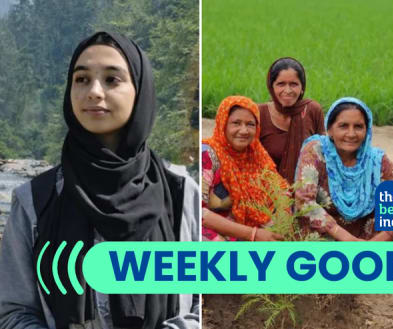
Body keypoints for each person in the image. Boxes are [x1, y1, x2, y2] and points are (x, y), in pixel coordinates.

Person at [0, 32, 199, 329]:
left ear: (140, 91)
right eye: (81, 79)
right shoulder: (34, 199)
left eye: (112, 79)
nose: (93, 91)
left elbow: (200, 304)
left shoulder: (181, 192)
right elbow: (13, 311)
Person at [294, 97, 393, 241]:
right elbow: (304, 201)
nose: (351, 134)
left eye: (358, 126)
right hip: (323, 240)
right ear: (329, 129)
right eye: (343, 126)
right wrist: (349, 240)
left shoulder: (377, 161)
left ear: (367, 130)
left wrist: (371, 246)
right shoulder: (315, 151)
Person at [201, 95, 288, 241]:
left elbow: (280, 189)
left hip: (255, 229)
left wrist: (283, 221)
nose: (244, 131)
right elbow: (198, 212)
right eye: (236, 123)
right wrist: (253, 234)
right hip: (220, 231)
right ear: (223, 124)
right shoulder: (207, 155)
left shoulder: (257, 154)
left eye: (250, 124)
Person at [258, 57, 325, 184]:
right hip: (266, 193)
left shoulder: (312, 110)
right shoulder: (259, 113)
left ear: (302, 88)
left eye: (293, 84)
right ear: (271, 87)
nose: (287, 90)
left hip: (306, 193)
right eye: (281, 84)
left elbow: (324, 155)